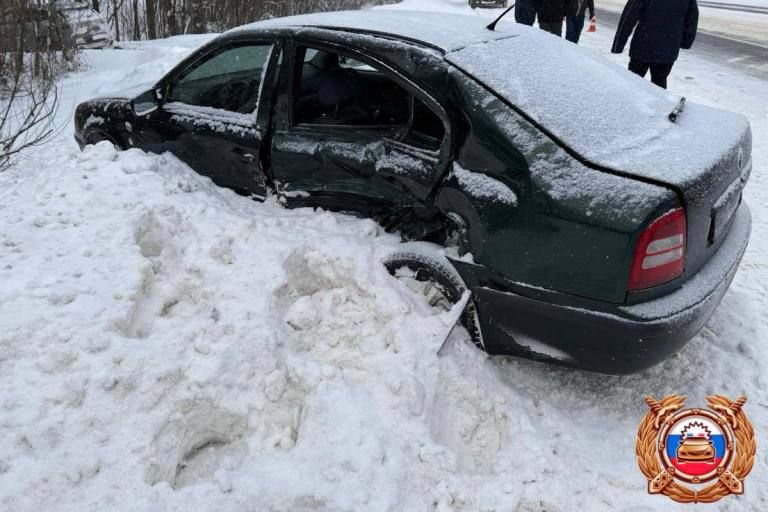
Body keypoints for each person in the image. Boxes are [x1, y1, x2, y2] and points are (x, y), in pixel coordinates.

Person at [611, 0, 699, 89]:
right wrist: (686, 42)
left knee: (632, 83)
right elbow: (692, 18)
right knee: (659, 84)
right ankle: (658, 97)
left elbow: (628, 17)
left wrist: (618, 45)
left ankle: (630, 95)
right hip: (667, 50)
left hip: (642, 47)